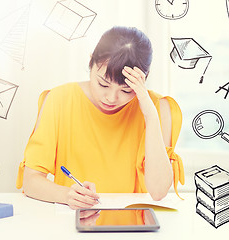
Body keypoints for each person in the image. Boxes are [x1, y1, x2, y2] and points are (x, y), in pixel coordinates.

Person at [16, 26, 185, 209]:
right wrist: (66, 195)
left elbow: (158, 191)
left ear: (143, 79)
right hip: (73, 222)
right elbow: (31, 180)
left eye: (126, 90)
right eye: (103, 84)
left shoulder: (159, 108)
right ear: (91, 63)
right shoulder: (59, 99)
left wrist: (150, 115)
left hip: (132, 223)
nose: (111, 98)